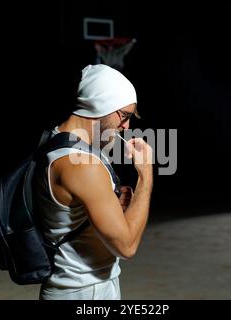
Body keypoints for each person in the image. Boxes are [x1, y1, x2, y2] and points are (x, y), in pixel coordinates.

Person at [33, 64, 153, 300]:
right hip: (84, 292)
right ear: (101, 105)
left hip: (80, 286)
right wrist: (146, 175)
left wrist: (110, 202)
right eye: (125, 115)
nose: (127, 126)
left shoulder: (57, 139)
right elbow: (127, 246)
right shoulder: (81, 164)